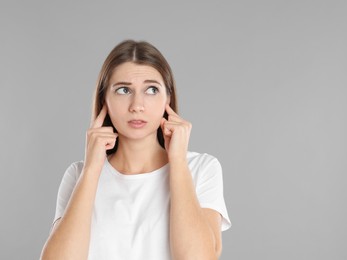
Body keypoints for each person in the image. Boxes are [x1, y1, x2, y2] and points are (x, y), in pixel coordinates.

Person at [41, 39, 231, 260]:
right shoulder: (78, 174)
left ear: (167, 98)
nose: (137, 105)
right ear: (105, 100)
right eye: (123, 90)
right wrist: (92, 169)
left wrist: (178, 162)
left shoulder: (201, 168)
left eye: (151, 90)